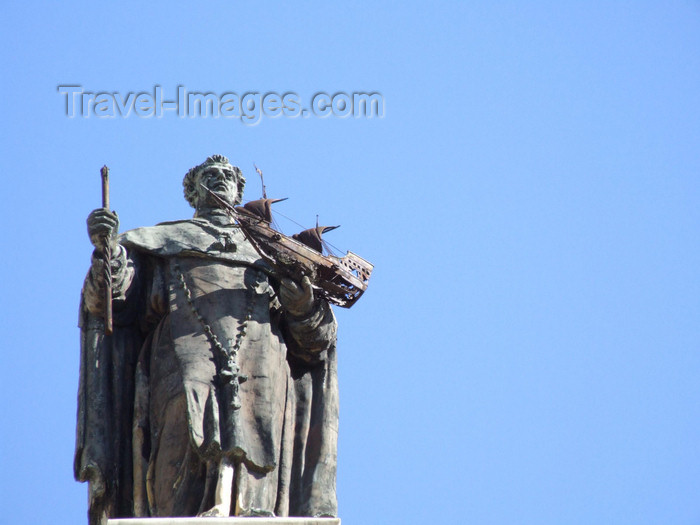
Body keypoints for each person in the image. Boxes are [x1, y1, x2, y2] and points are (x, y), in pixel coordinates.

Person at [75, 155, 339, 524]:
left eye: (226, 175)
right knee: (181, 428)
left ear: (238, 189)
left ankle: (250, 506)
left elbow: (314, 342)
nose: (218, 179)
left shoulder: (273, 253)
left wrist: (303, 302)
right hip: (180, 349)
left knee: (257, 430)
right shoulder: (161, 241)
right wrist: (109, 253)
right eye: (208, 175)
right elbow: (111, 302)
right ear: (192, 191)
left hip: (261, 355)